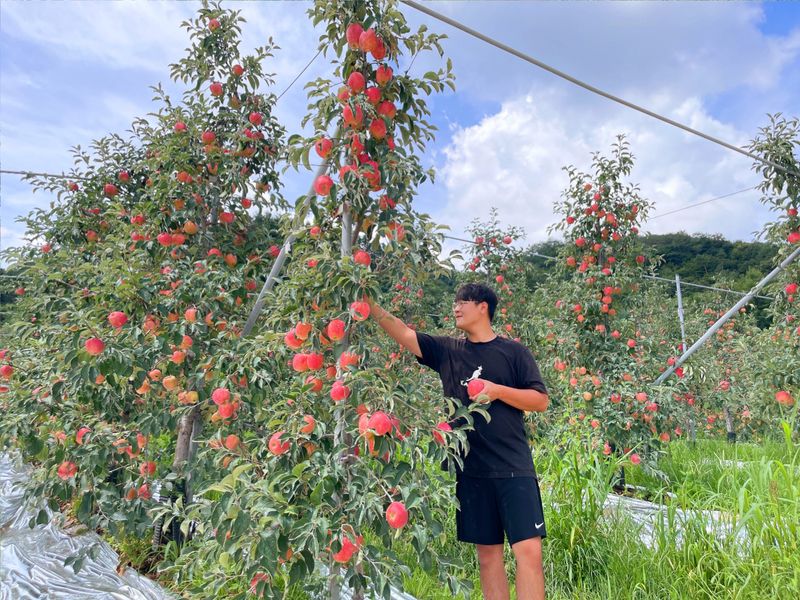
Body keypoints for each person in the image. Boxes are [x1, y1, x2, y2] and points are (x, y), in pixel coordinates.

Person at [366, 282, 549, 600]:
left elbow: (540, 400)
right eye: (455, 301)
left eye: (464, 301)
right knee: (488, 556)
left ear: (483, 308)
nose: (456, 306)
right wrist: (369, 304)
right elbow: (406, 335)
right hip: (472, 468)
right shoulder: (449, 350)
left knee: (529, 552)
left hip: (514, 466)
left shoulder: (514, 352)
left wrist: (497, 390)